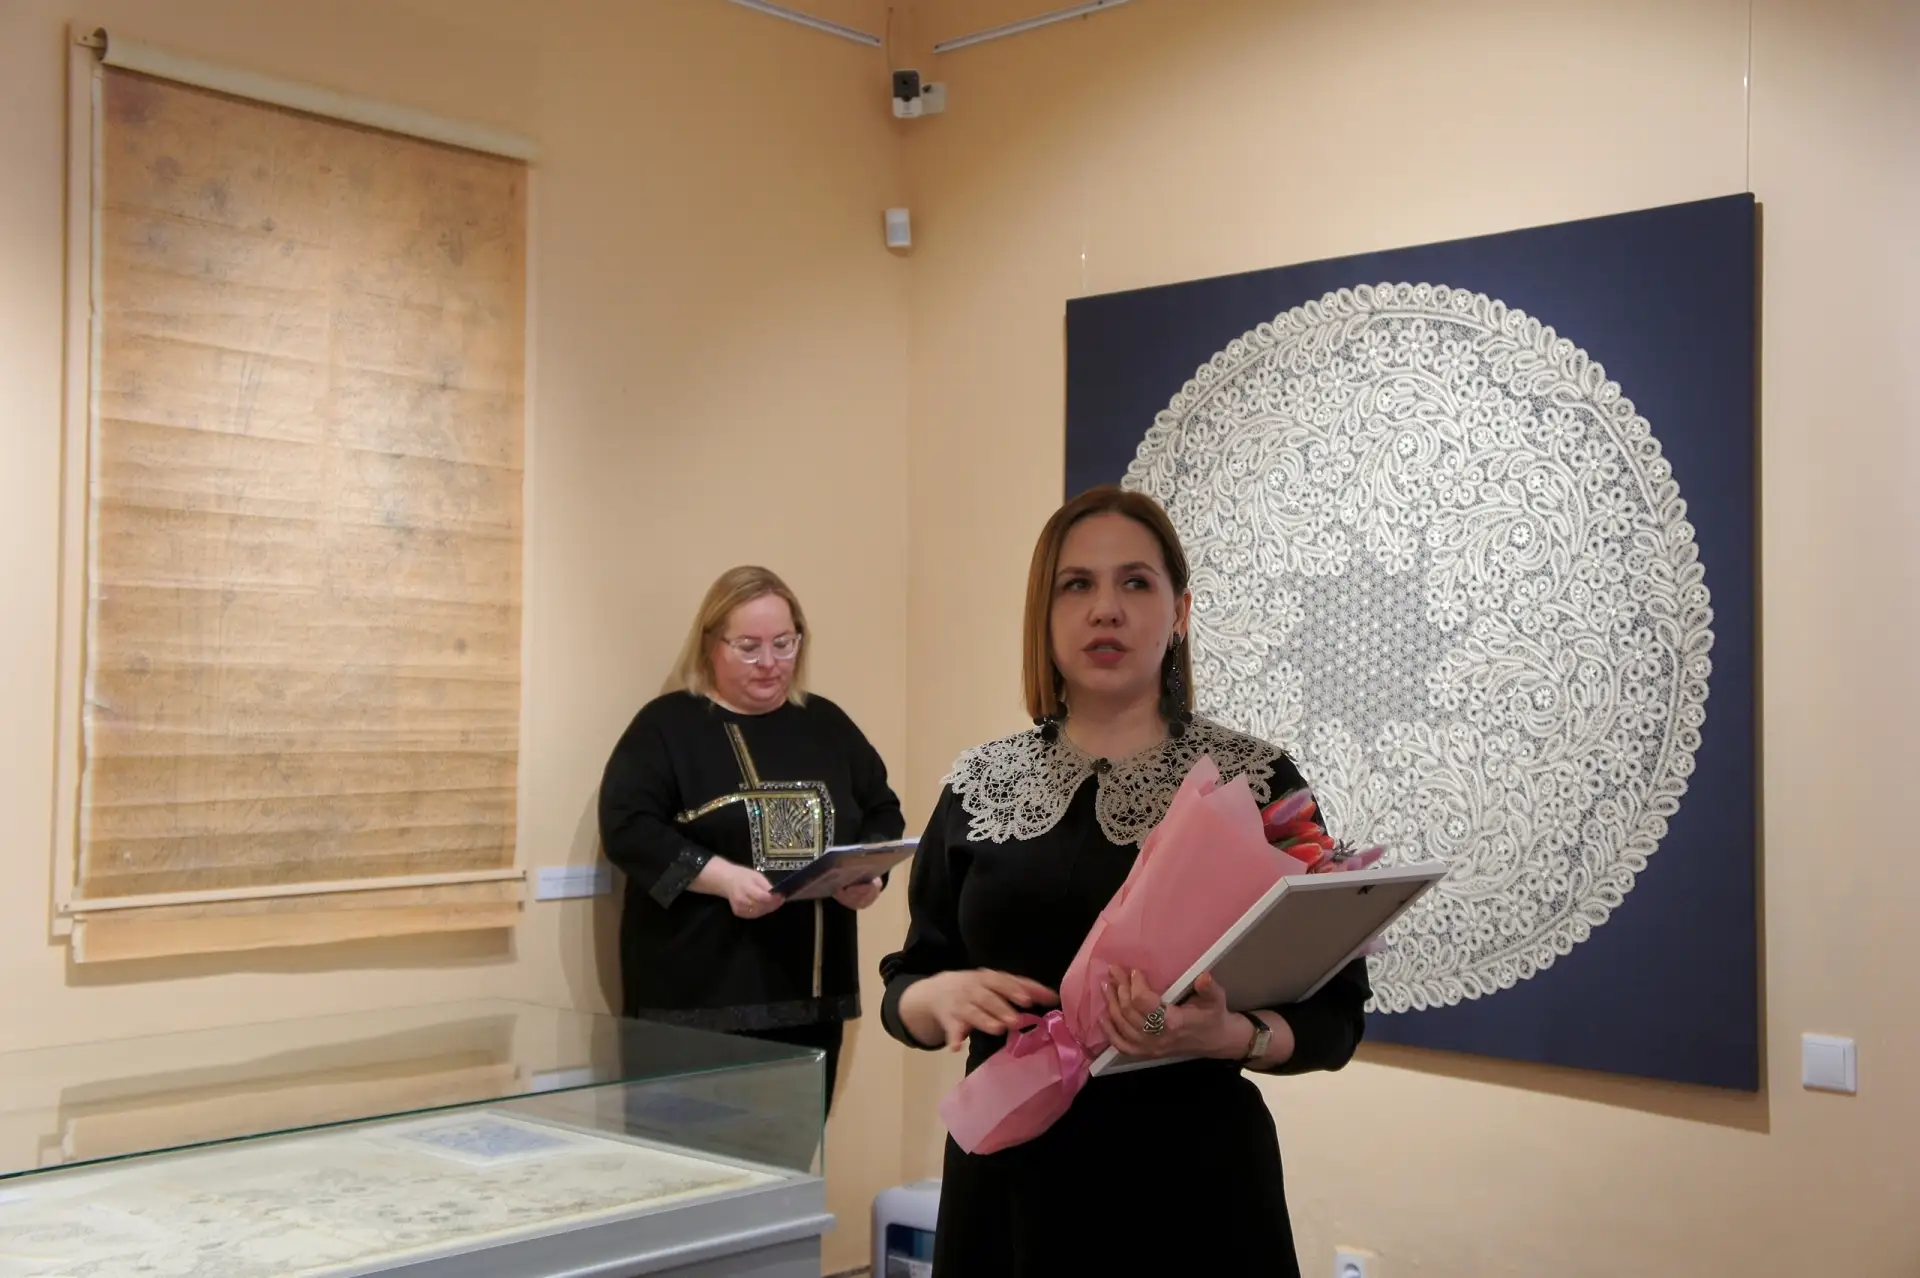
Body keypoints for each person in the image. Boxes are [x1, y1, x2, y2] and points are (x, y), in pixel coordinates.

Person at [878, 486, 1370, 1276]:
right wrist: (930, 1001)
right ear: (1043, 615)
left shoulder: (1257, 782)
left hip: (1195, 1195)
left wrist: (1229, 1035)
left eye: (1135, 582)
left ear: (1179, 613)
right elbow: (910, 980)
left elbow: (1337, 1018)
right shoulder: (977, 785)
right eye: (1076, 584)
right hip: (1006, 1187)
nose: (1105, 609)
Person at [599, 566, 904, 1113]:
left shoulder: (826, 724)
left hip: (809, 1001)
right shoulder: (667, 727)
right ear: (711, 645)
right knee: (687, 1160)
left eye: (784, 643)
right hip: (694, 1004)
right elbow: (627, 826)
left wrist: (868, 876)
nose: (769, 662)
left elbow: (881, 809)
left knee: (788, 1158)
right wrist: (721, 878)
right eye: (748, 647)